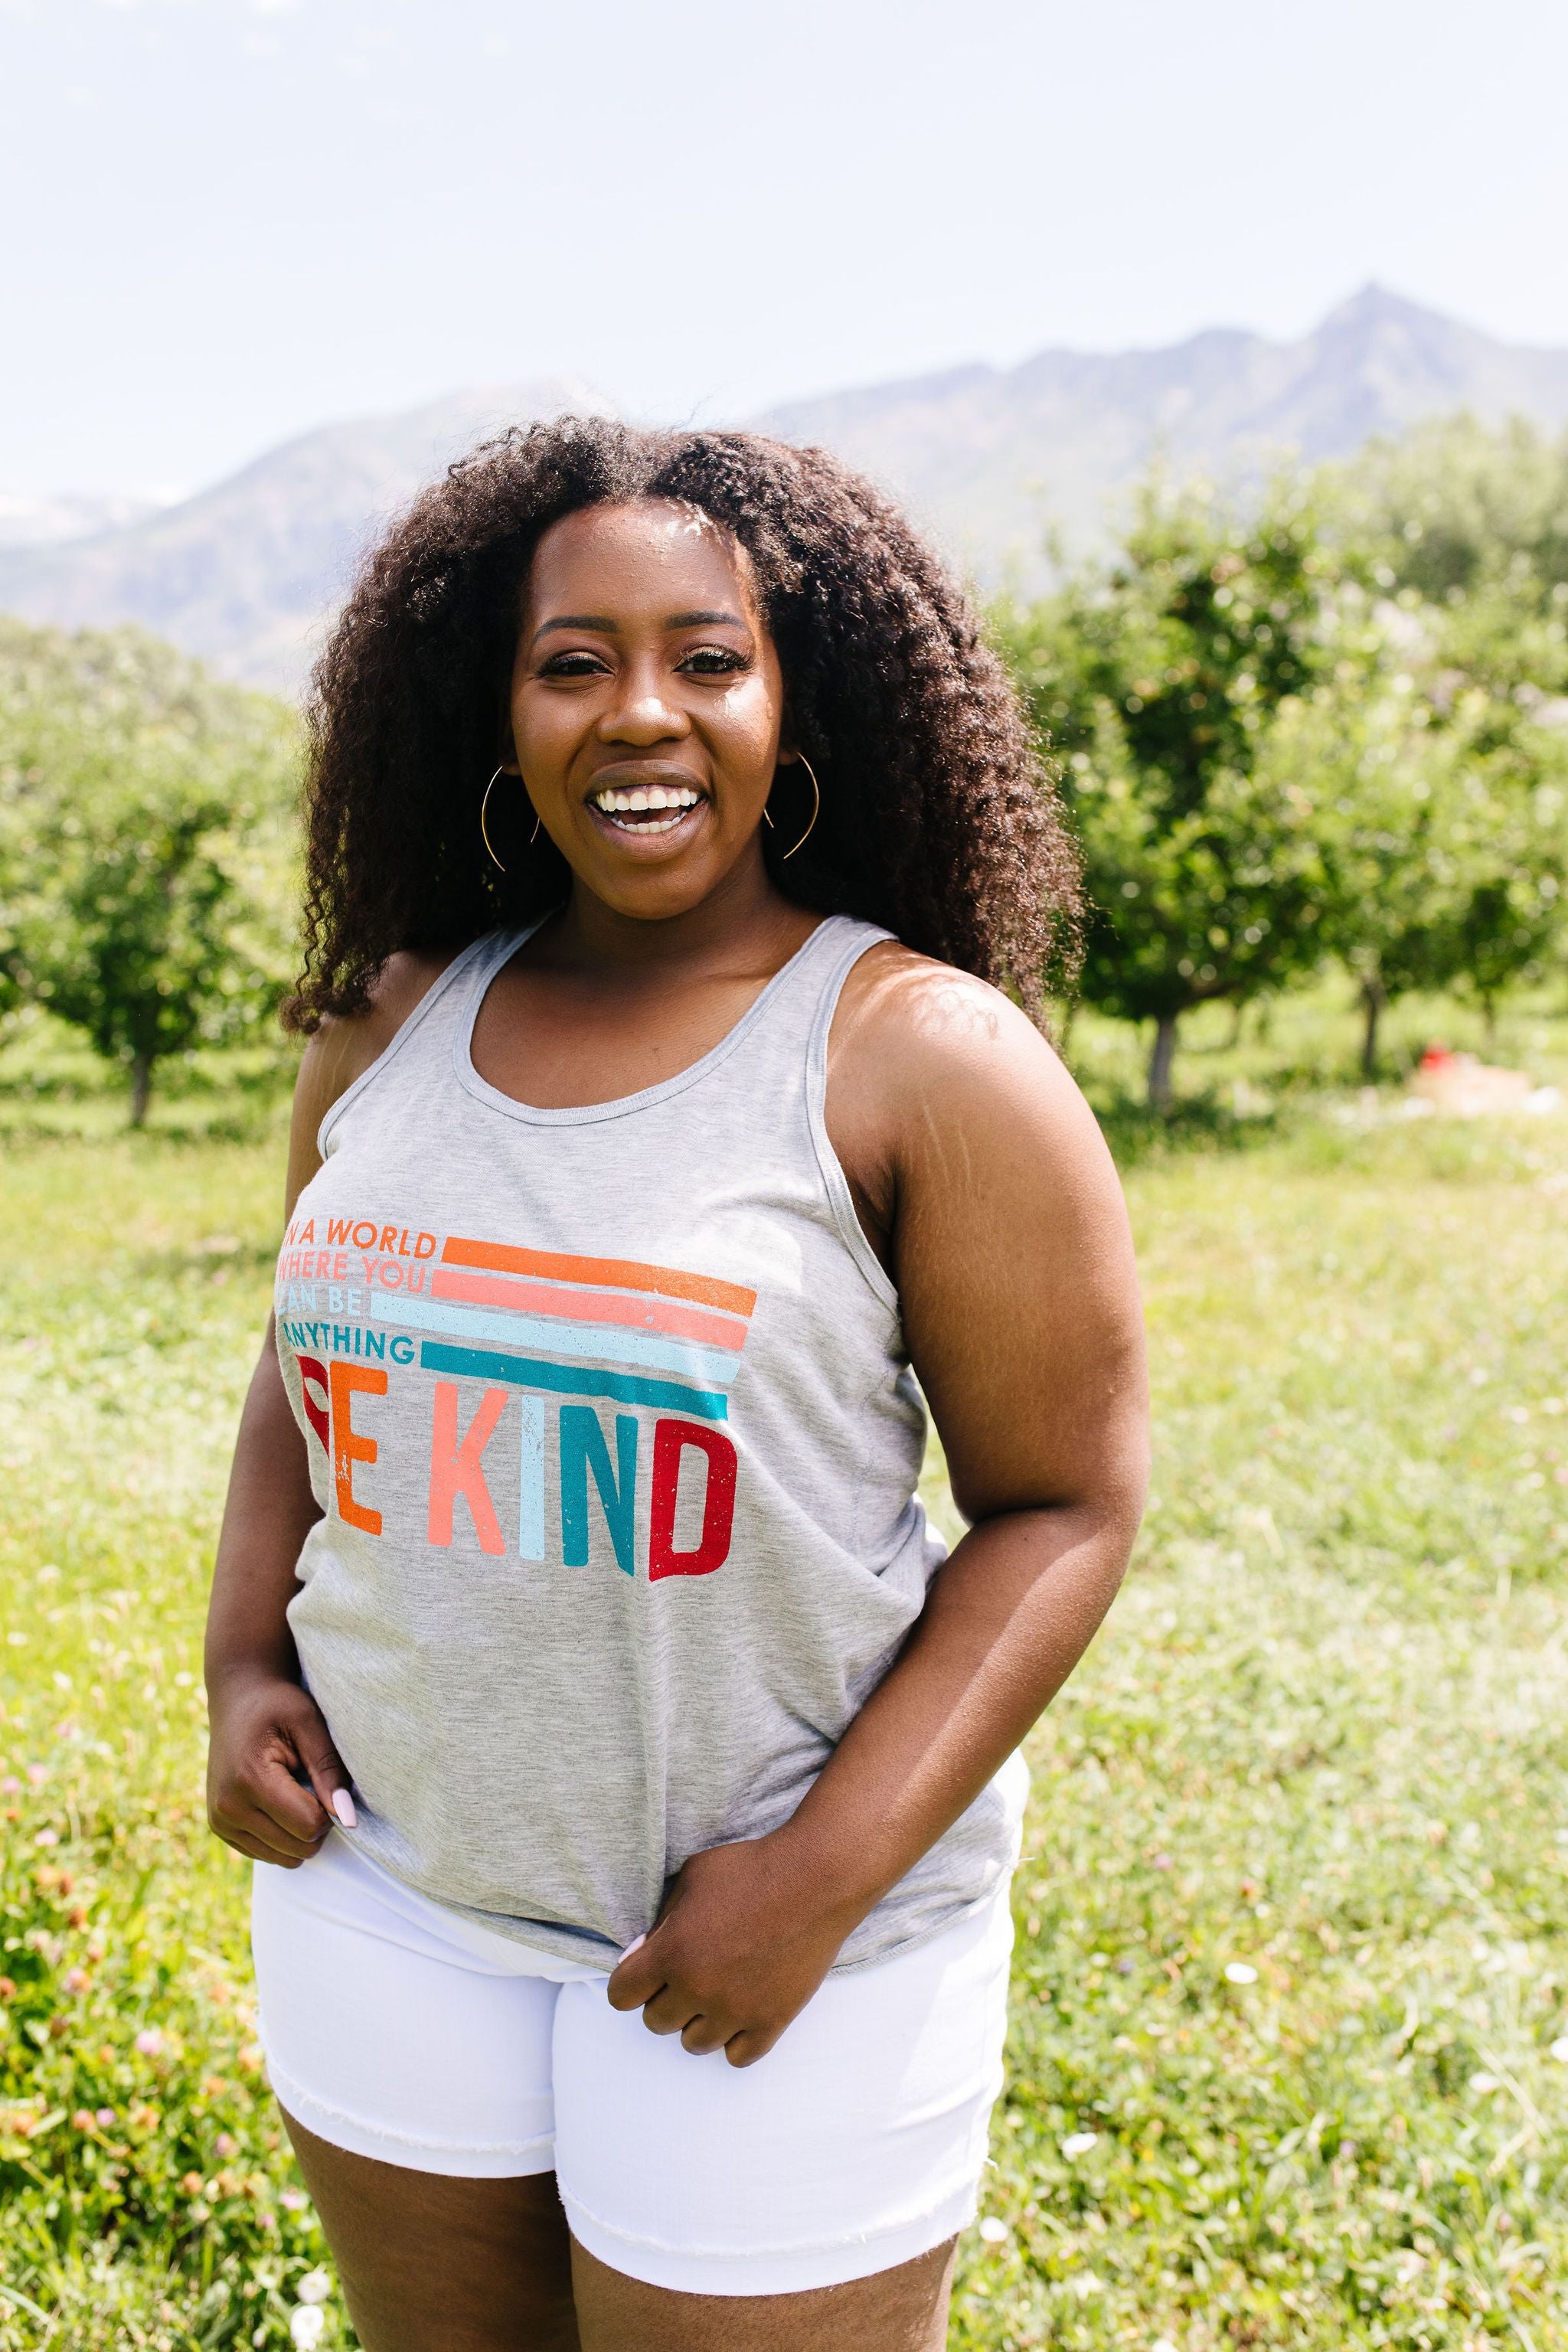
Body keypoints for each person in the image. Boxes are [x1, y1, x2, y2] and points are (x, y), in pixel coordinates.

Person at [204, 419, 1148, 2352]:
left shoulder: (918, 1055)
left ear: (795, 698)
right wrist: (239, 1670)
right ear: (500, 709)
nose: (642, 712)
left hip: (777, 1955)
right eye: (575, 662)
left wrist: (815, 1877)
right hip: (387, 1897)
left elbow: (1064, 1504)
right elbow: (302, 1368)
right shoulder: (393, 1016)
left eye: (706, 657)